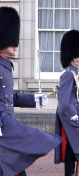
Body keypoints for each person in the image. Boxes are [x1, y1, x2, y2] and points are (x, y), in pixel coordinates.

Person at [0, 6, 62, 176]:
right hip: (0, 123)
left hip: (8, 121)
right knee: (33, 140)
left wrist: (33, 99)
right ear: (2, 44)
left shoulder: (6, 67)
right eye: (12, 44)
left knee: (9, 164)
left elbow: (11, 98)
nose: (15, 47)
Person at [54, 30, 79, 176]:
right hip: (71, 115)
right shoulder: (68, 74)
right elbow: (63, 100)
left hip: (74, 112)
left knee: (72, 145)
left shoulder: (75, 72)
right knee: (70, 145)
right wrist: (73, 115)